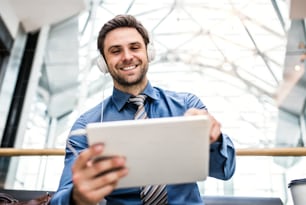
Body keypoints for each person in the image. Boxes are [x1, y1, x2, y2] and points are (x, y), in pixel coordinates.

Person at [50, 14, 236, 205]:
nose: (127, 56)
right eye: (115, 51)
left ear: (149, 52)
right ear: (103, 63)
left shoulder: (187, 105)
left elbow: (225, 169)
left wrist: (214, 138)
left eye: (134, 47)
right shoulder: (86, 126)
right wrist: (76, 197)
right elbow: (61, 197)